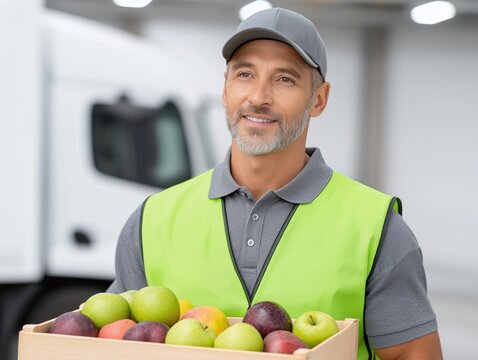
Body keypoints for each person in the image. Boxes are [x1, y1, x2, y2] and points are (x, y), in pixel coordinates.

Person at [107, 7, 443, 359]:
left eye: (285, 79)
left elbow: (413, 353)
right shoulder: (152, 220)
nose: (258, 97)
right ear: (225, 89)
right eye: (245, 74)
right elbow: (113, 342)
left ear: (319, 99)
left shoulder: (377, 228)